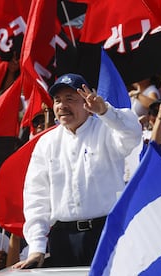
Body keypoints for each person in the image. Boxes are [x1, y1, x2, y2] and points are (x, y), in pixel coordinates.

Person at [14, 73, 142, 268]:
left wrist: (106, 111)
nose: (62, 106)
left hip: (105, 233)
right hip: (64, 239)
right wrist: (36, 247)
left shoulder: (107, 130)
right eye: (57, 100)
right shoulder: (46, 143)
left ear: (87, 102)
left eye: (70, 99)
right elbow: (36, 198)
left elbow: (132, 133)